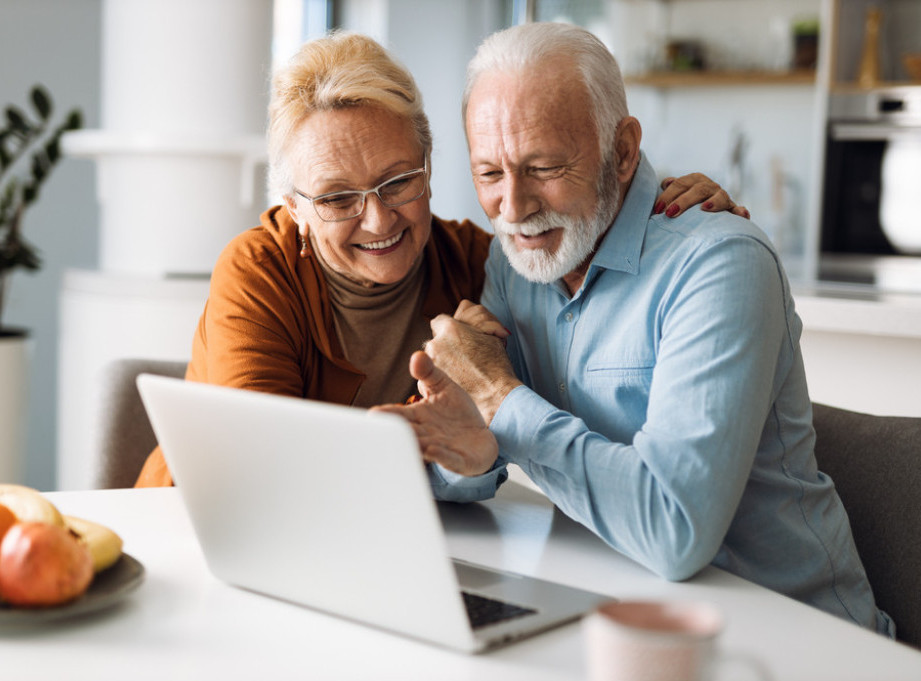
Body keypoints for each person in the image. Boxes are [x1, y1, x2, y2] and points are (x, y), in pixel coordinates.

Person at [375, 22, 893, 636]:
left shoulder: (719, 263)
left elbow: (675, 532)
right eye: (489, 174)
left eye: (544, 166)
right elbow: (480, 449)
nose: (512, 208)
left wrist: (499, 399)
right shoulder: (516, 263)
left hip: (801, 638)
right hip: (617, 617)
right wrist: (462, 451)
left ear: (622, 152)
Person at [134, 31, 742, 491]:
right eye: (338, 199)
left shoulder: (481, 264)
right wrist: (433, 416)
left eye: (398, 181)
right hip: (196, 528)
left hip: (387, 547)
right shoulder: (258, 271)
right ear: (294, 207)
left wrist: (656, 199)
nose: (379, 220)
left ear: (428, 166)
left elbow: (587, 225)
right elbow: (261, 473)